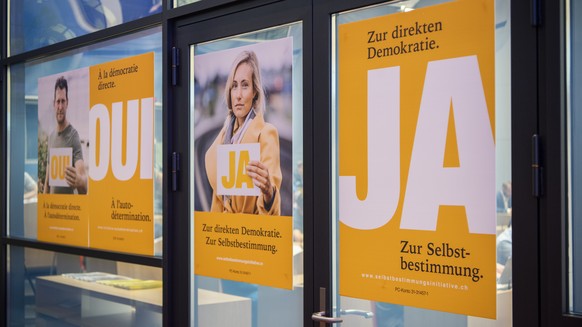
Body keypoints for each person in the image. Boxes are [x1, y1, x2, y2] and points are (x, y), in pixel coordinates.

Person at [205, 50, 282, 215]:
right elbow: (217, 204)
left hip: (250, 236)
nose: (238, 95)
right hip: (225, 235)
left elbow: (271, 203)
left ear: (255, 92)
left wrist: (269, 191)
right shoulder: (223, 140)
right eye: (234, 86)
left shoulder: (266, 134)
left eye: (245, 85)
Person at [43, 76, 87, 195]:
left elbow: (84, 185)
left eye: (63, 101)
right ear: (54, 104)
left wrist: (79, 181)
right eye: (58, 101)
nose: (60, 107)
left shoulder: (74, 136)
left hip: (66, 211)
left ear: (67, 103)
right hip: (52, 210)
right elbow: (47, 182)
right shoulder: (51, 137)